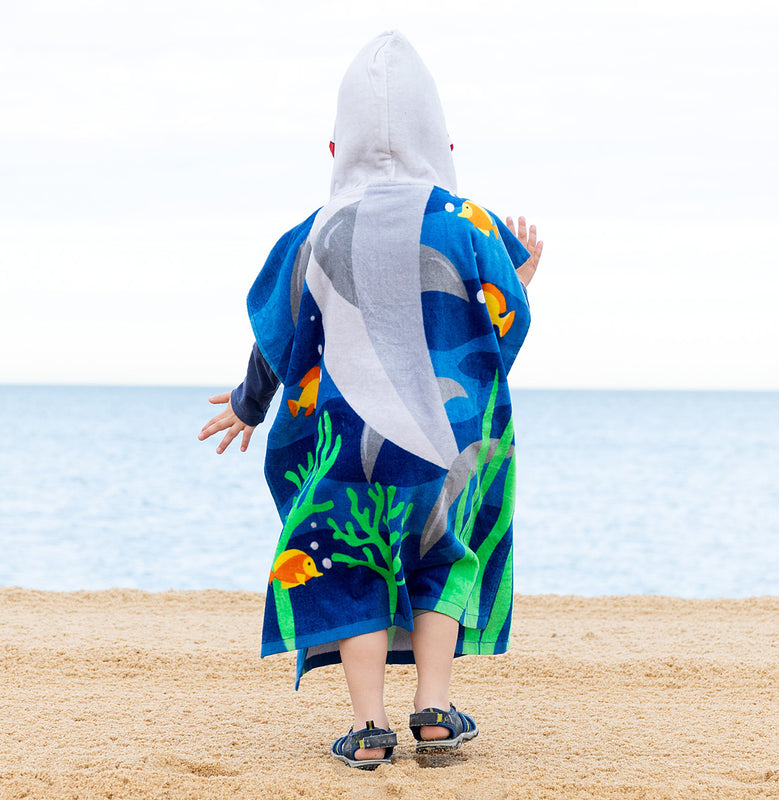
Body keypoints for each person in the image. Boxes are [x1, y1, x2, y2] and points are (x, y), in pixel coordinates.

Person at [199, 31, 543, 770]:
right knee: (444, 557)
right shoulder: (470, 221)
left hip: (345, 451)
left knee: (351, 565)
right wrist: (522, 280)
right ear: (443, 144)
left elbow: (279, 334)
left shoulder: (314, 231)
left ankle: (367, 729)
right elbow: (501, 325)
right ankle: (435, 712)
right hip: (446, 443)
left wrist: (250, 404)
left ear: (335, 150)